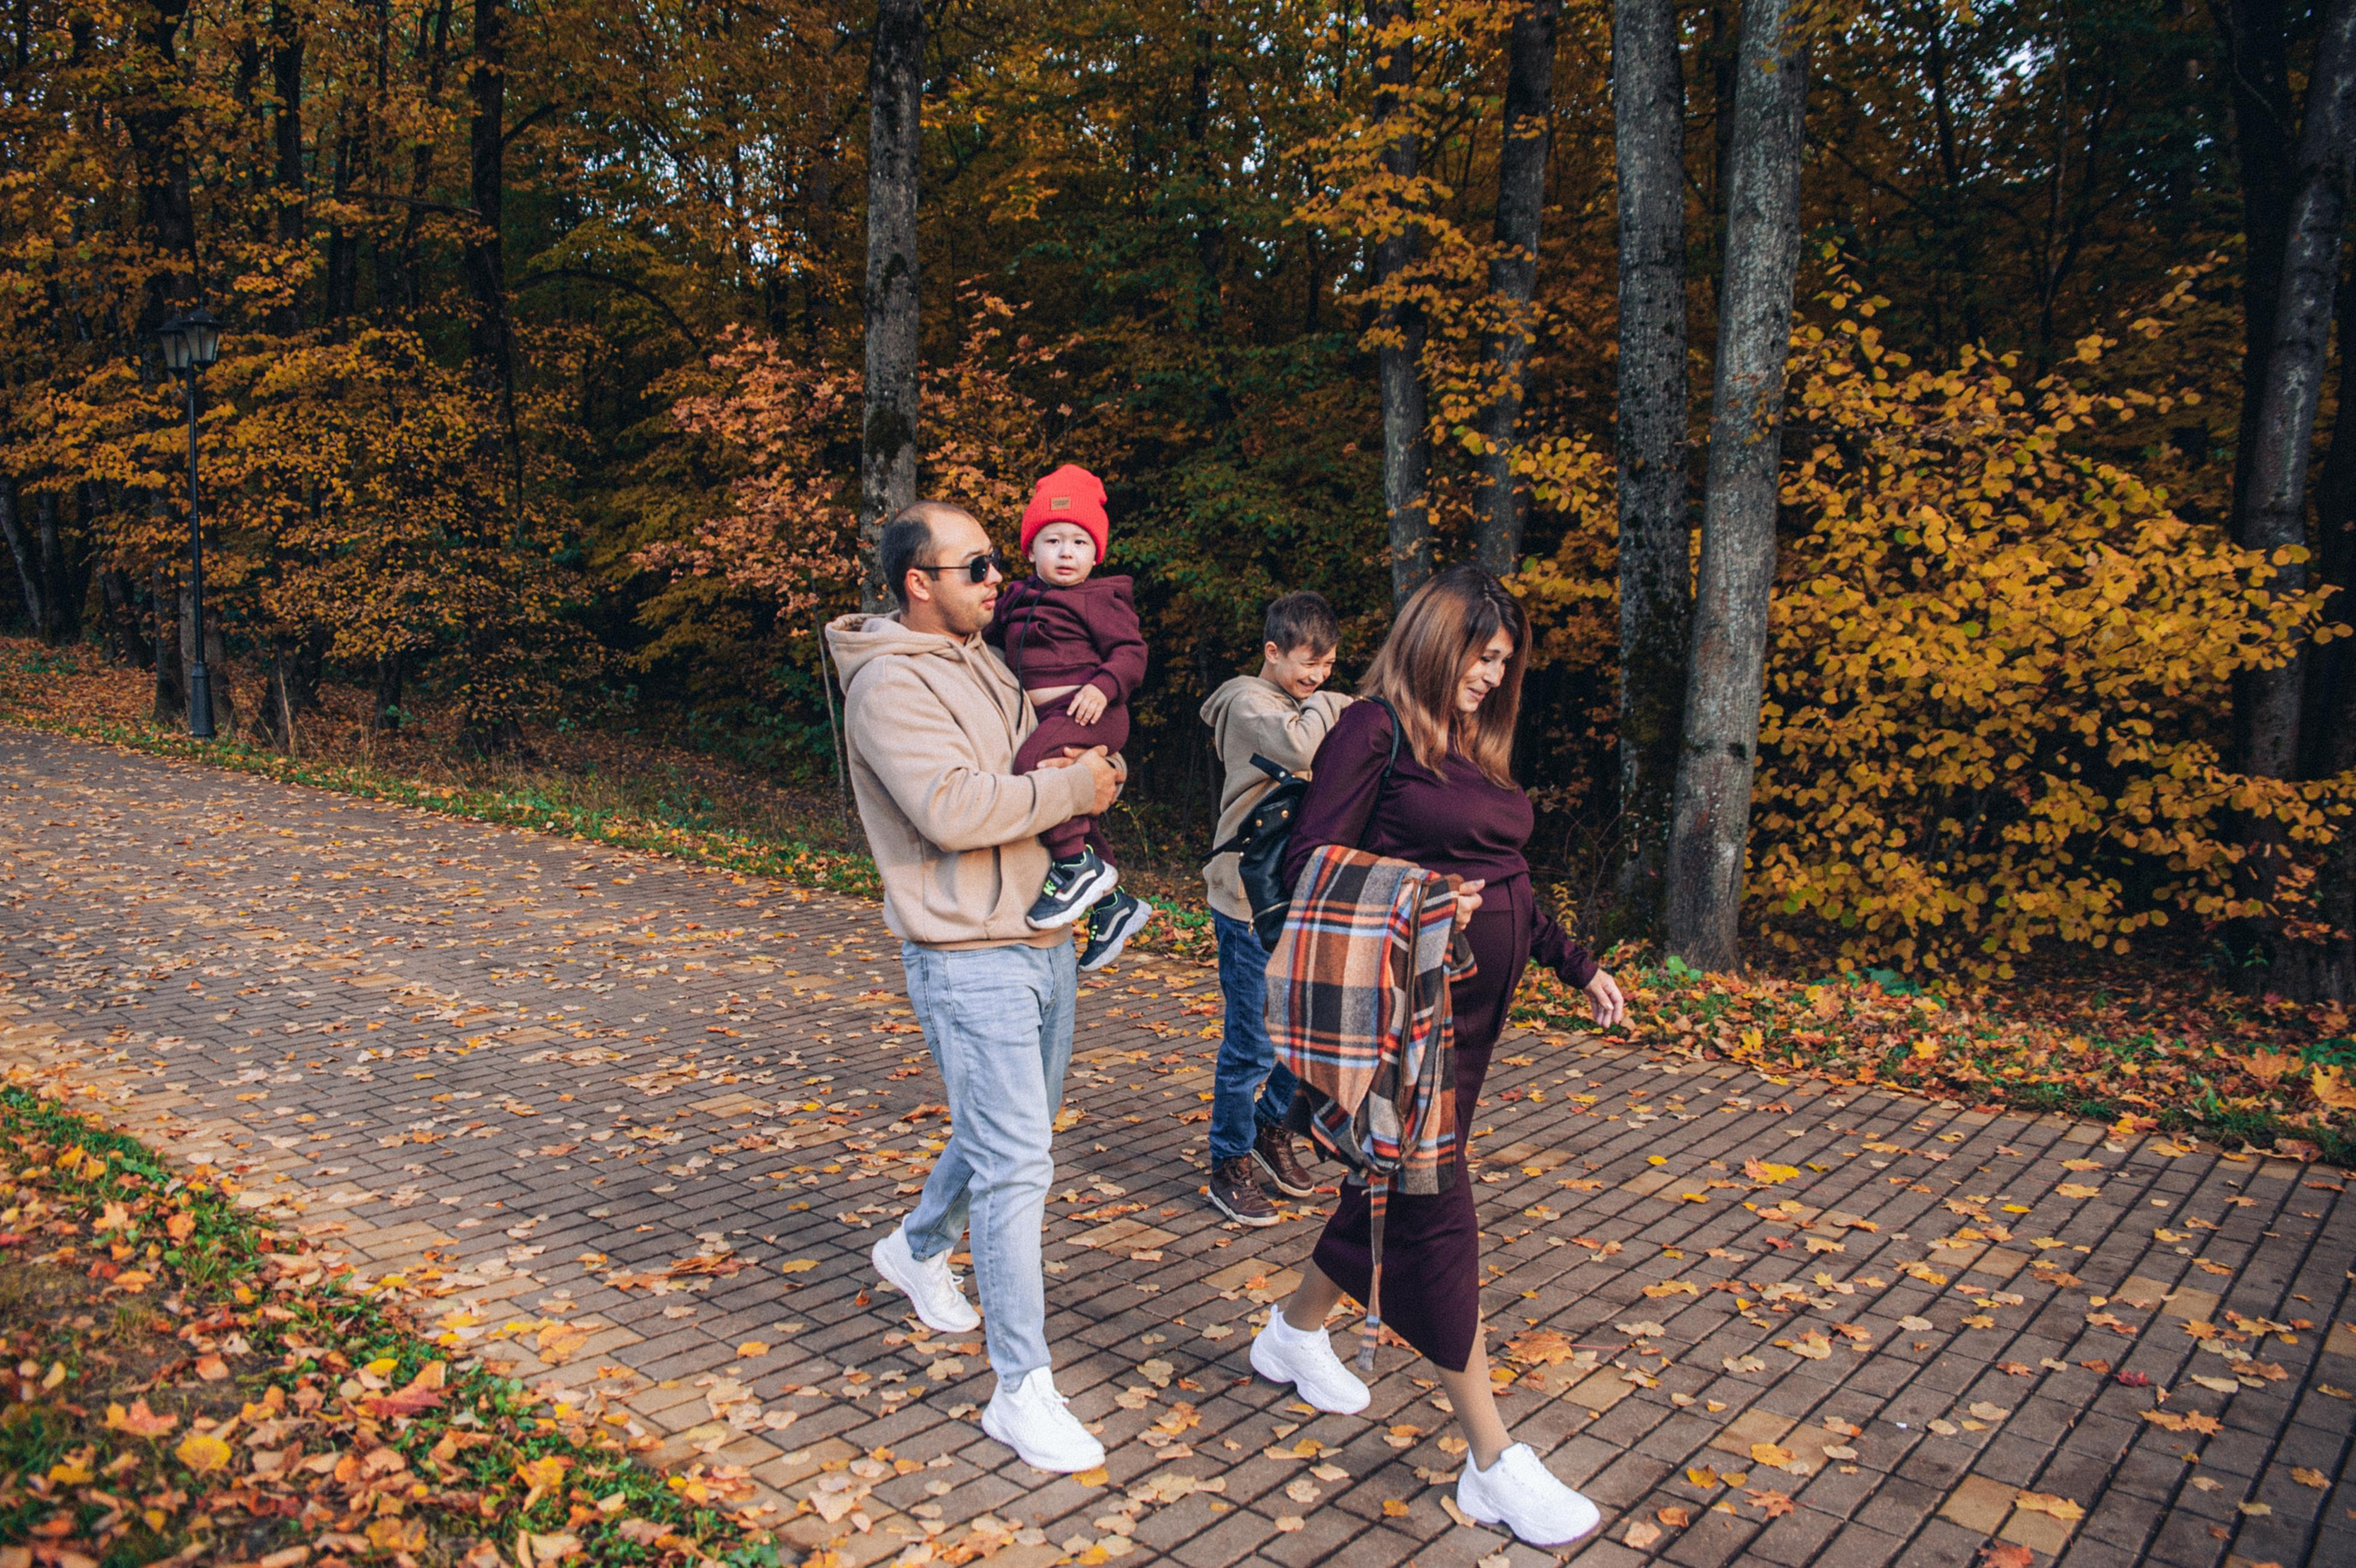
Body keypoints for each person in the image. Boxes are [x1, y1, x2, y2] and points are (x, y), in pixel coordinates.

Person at [1246, 563, 1629, 1549]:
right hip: (1403, 1021)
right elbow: (1307, 865)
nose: (1492, 679)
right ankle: (1493, 1461)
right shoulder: (1371, 731)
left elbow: (1508, 875)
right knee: (1433, 1208)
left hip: (1471, 1029)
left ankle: (1291, 1333)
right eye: (1480, 656)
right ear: (1433, 640)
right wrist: (1416, 893)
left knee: (1390, 1179)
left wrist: (1574, 964)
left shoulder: (1468, 745)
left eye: (1504, 663)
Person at [825, 501, 1122, 1474]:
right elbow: (953, 809)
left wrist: (1087, 761)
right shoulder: (887, 686)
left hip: (1039, 935)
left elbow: (1023, 765)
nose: (1001, 579)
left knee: (1009, 1132)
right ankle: (1020, 1389)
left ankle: (915, 1248)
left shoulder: (986, 660)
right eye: (978, 566)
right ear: (920, 581)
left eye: (997, 563)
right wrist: (1076, 790)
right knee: (1017, 1164)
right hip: (965, 955)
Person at [1197, 590, 1351, 1226]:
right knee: (1251, 1045)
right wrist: (1340, 703)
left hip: (1295, 894)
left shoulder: (1298, 701)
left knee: (1308, 1032)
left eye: (1328, 666)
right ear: (1272, 651)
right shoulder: (1247, 702)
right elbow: (1303, 748)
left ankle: (1269, 1129)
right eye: (1307, 663)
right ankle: (1227, 1163)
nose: (1317, 677)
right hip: (1242, 897)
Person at [987, 463, 1155, 971]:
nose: (1066, 553)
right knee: (1067, 805)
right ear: (1030, 549)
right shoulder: (1012, 599)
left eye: (1080, 543)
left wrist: (1104, 686)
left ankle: (1076, 869)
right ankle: (1111, 904)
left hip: (1091, 712)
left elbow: (1131, 651)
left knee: (1034, 769)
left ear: (1096, 553)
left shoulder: (1099, 598)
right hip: (1053, 717)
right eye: (1053, 540)